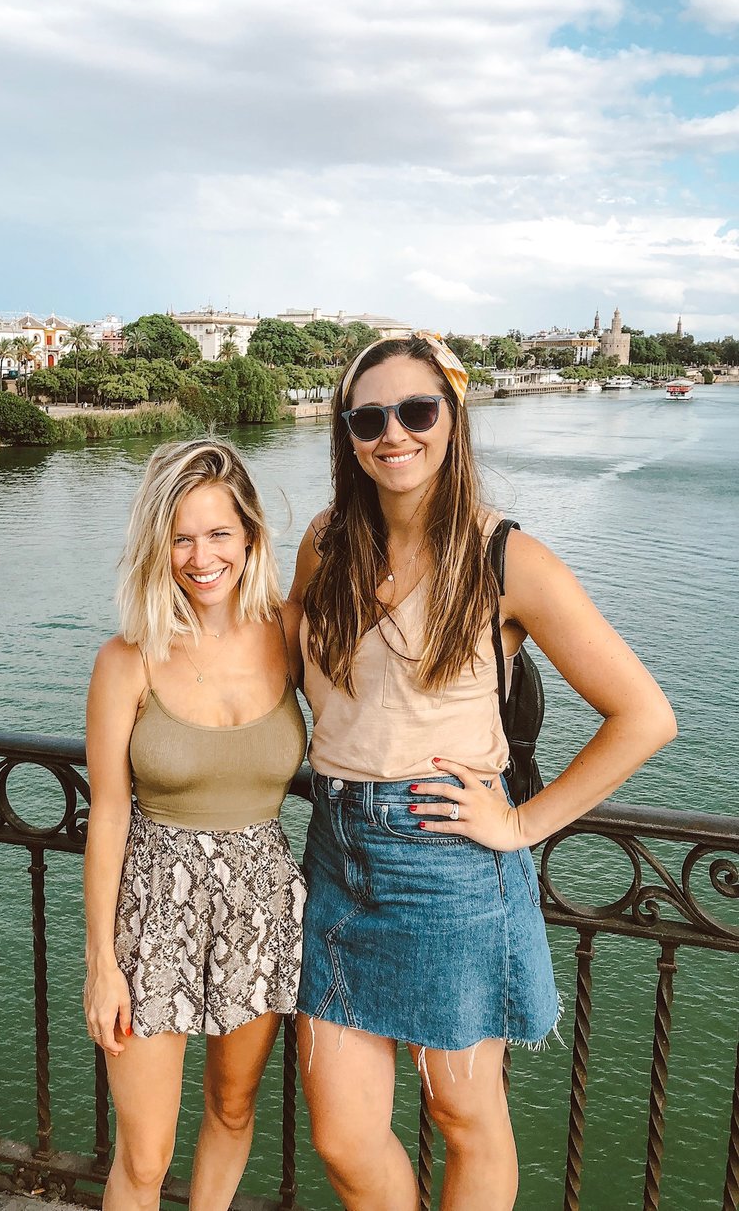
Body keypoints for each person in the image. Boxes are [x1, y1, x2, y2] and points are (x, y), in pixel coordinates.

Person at [290, 334, 677, 1211]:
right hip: (336, 853)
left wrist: (523, 823)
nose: (395, 433)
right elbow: (271, 664)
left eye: (417, 411)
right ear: (348, 434)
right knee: (343, 1136)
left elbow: (646, 715)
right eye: (369, 416)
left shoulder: (507, 558)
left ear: (452, 420)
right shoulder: (326, 544)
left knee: (464, 1116)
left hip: (450, 867)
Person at [83, 439, 307, 1211]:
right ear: (157, 545)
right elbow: (108, 812)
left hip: (261, 906)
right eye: (180, 535)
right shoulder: (126, 659)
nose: (201, 555)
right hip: (153, 914)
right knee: (145, 1154)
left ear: (249, 535)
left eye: (218, 532)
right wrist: (101, 962)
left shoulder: (291, 633)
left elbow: (383, 691)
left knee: (233, 1107)